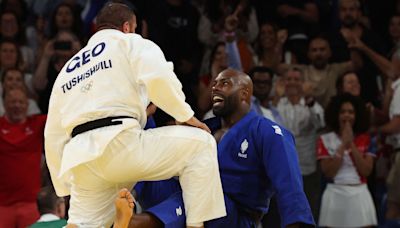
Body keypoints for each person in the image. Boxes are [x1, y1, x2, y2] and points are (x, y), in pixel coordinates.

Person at [44, 3, 225, 228]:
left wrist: (63, 185)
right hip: (120, 144)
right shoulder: (128, 42)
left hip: (81, 158)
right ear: (128, 27)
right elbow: (159, 76)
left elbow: (52, 132)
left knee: (82, 224)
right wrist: (185, 115)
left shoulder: (69, 68)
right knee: (202, 144)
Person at [119, 68, 315, 228]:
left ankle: (136, 223)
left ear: (245, 94)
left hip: (234, 216)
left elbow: (289, 185)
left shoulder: (267, 131)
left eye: (225, 84)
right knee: (145, 145)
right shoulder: (205, 128)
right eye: (214, 84)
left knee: (202, 188)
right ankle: (109, 211)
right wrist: (146, 116)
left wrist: (297, 223)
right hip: (188, 202)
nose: (215, 89)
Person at [317, 93, 377, 227]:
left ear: (357, 115)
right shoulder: (325, 140)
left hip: (360, 193)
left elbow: (366, 171)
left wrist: (351, 145)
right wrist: (342, 145)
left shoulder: (367, 139)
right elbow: (329, 173)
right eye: (342, 112)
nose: (347, 115)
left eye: (351, 112)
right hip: (334, 193)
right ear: (336, 115)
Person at [0, 87, 47, 228]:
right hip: (2, 204)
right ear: (4, 103)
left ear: (28, 104)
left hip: (31, 203)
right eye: (13, 101)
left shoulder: (38, 124)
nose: (17, 105)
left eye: (21, 102)